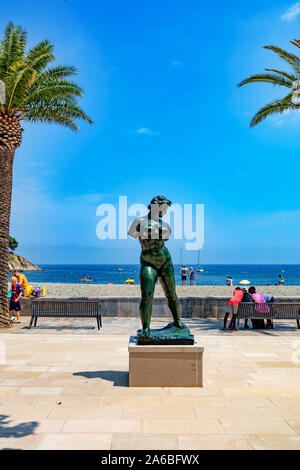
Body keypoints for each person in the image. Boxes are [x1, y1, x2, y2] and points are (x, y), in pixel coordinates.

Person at [128, 195, 185, 338]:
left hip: (165, 260)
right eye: (165, 208)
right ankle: (146, 327)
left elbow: (164, 240)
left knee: (171, 294)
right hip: (148, 261)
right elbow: (132, 234)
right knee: (147, 296)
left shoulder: (165, 226)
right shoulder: (138, 222)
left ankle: (177, 320)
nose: (165, 212)